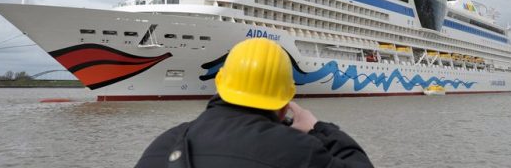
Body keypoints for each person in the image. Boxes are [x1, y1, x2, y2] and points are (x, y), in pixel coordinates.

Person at [135, 38, 374, 168]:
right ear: (285, 103)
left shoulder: (166, 143)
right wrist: (318, 128)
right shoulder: (301, 150)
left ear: (221, 85)